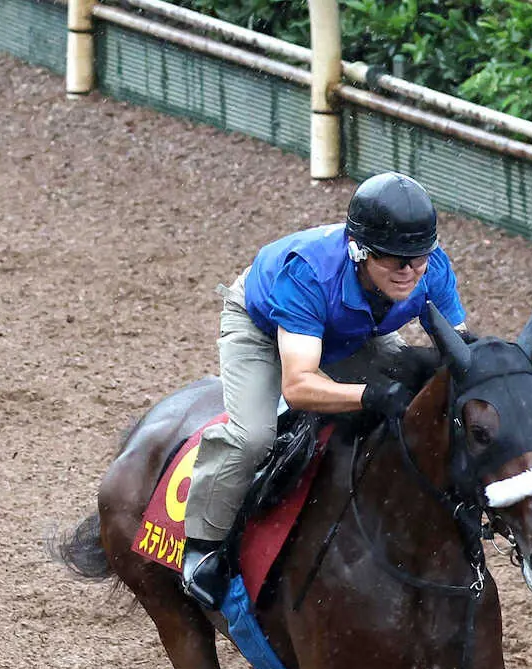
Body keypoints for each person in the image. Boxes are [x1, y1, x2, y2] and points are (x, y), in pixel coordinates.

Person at [181, 171, 470, 608]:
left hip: (351, 332)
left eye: (418, 257)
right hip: (261, 328)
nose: (410, 270)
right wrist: (368, 395)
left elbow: (459, 353)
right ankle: (203, 546)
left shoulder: (432, 267)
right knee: (253, 436)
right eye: (394, 259)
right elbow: (299, 385)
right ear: (359, 251)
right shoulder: (309, 274)